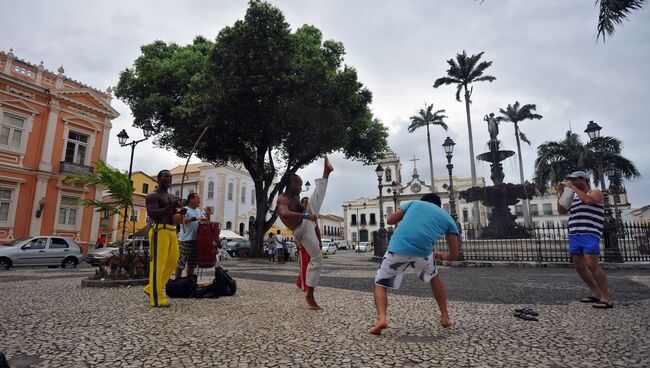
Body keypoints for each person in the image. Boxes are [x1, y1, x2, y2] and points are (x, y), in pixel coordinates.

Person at [370, 193, 460, 335]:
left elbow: (390, 220)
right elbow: (455, 256)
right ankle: (445, 317)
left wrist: (409, 215)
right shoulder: (448, 219)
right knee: (434, 277)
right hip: (422, 252)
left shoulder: (414, 204)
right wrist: (443, 255)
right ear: (439, 206)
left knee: (380, 284)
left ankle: (382, 318)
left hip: (397, 248)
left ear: (422, 201)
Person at [277, 156, 333, 310]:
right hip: (299, 230)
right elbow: (285, 213)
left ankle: (326, 173)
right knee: (316, 259)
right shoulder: (282, 198)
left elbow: (310, 215)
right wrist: (307, 216)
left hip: (306, 224)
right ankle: (309, 296)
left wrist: (311, 217)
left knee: (314, 204)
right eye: (299, 184)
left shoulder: (296, 197)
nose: (301, 188)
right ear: (292, 183)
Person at [557, 171, 612, 309]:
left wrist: (573, 188)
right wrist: (560, 192)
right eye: (571, 180)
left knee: (591, 262)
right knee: (578, 265)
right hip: (575, 234)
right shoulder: (575, 198)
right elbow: (562, 210)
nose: (572, 182)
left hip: (590, 233)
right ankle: (595, 292)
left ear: (583, 179)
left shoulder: (596, 193)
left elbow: (587, 201)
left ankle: (606, 298)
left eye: (574, 180)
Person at [143, 169, 182, 308]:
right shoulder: (152, 196)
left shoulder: (171, 196)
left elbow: (173, 216)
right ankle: (156, 298)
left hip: (172, 231)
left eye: (170, 177)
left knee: (172, 262)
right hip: (159, 230)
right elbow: (153, 214)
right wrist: (172, 206)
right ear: (158, 179)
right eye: (166, 176)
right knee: (158, 265)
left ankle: (150, 288)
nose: (169, 179)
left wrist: (180, 212)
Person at [174, 193, 211, 279]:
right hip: (185, 240)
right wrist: (196, 218)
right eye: (197, 198)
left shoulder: (199, 211)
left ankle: (189, 282)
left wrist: (208, 215)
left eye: (199, 198)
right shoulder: (185, 209)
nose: (199, 200)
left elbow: (206, 222)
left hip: (196, 240)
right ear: (191, 199)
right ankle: (177, 282)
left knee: (192, 265)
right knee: (181, 264)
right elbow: (181, 220)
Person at [295, 197, 322, 292]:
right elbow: (295, 229)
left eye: (308, 203)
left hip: (312, 242)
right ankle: (304, 285)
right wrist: (297, 242)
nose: (307, 204)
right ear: (301, 204)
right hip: (302, 243)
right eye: (305, 202)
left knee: (310, 263)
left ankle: (299, 282)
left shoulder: (313, 215)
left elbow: (317, 229)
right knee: (304, 264)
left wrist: (319, 241)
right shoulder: (299, 214)